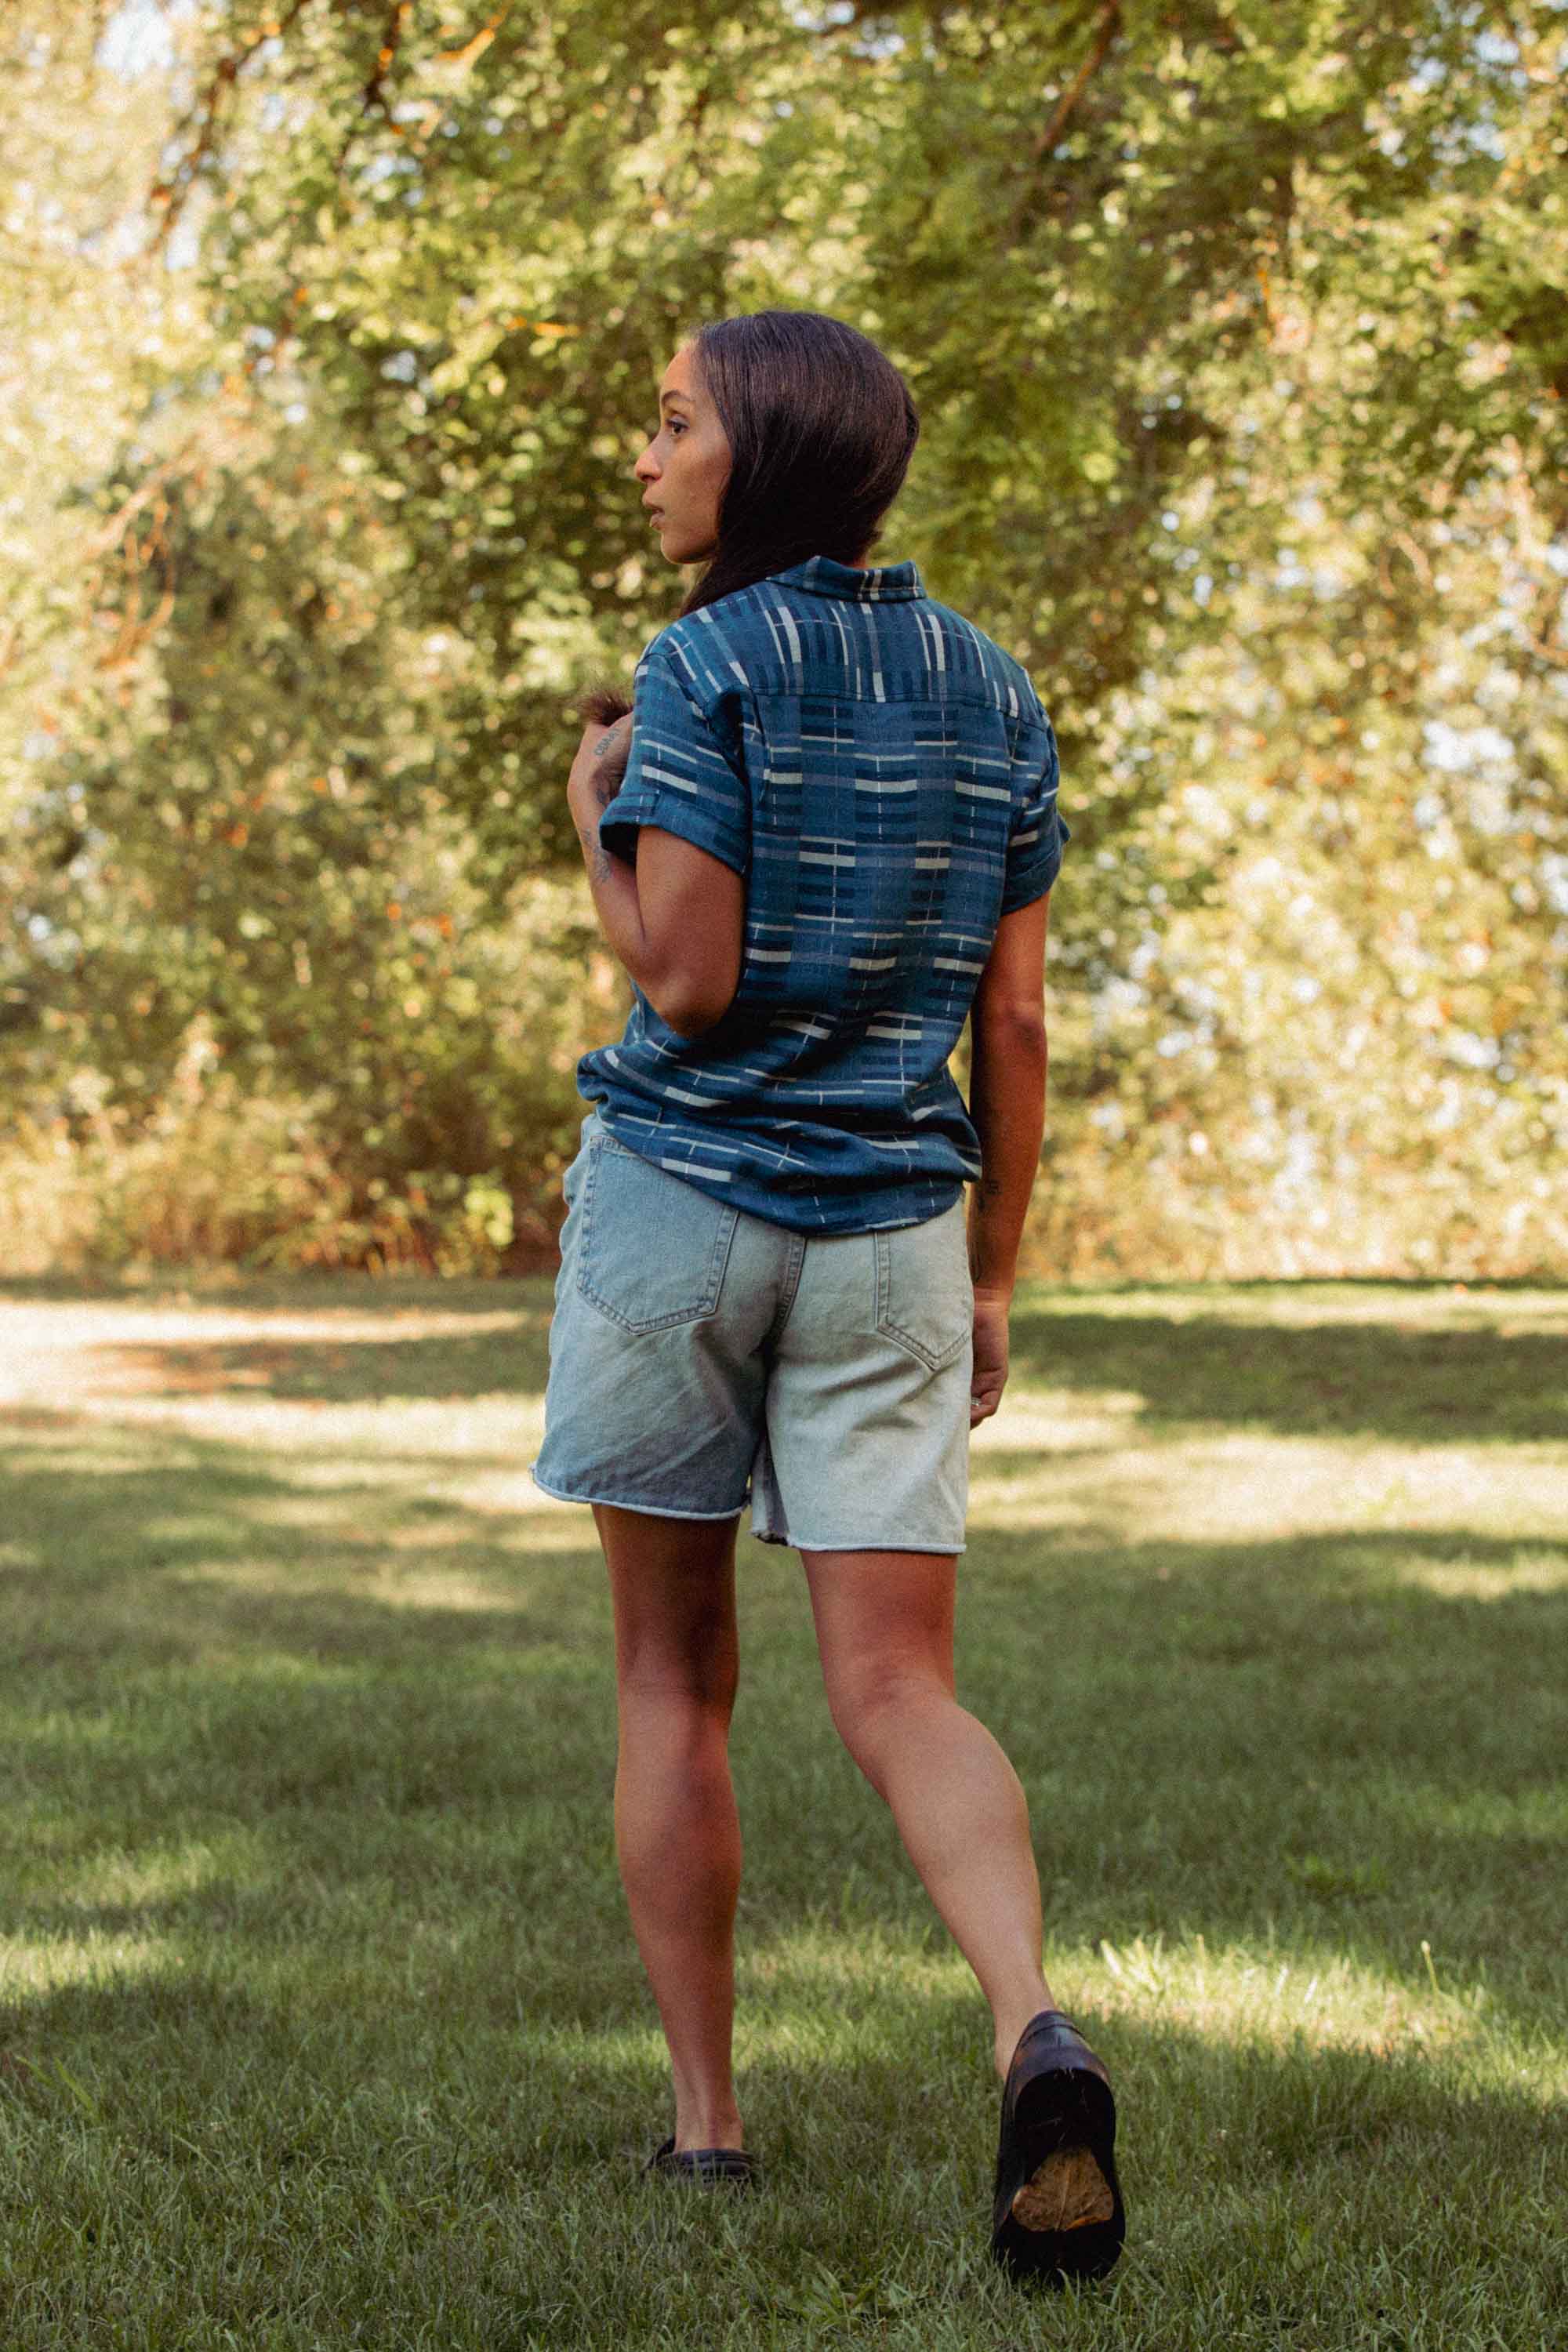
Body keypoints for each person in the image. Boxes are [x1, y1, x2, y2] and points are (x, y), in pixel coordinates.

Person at [528, 309, 1125, 2285]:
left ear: (760, 454)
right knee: (898, 1689)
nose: (644, 456)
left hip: (680, 1211)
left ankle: (709, 2129)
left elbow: (685, 981)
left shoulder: (701, 665)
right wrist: (995, 1271)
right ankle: (1028, 2023)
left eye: (670, 422)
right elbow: (1012, 1021)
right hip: (893, 1235)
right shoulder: (993, 687)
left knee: (669, 1678)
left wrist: (592, 825)